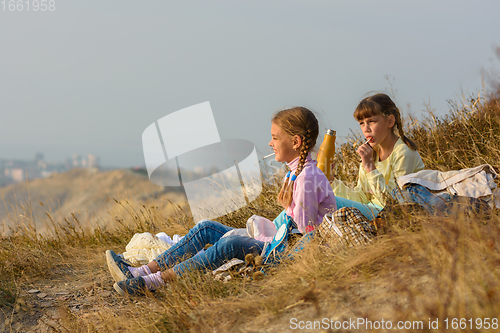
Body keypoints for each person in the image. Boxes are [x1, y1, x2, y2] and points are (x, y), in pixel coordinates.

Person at [107, 106, 337, 296]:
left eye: (275, 138)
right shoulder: (297, 173)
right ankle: (142, 271)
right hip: (278, 240)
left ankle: (153, 282)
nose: (270, 143)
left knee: (231, 244)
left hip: (283, 251)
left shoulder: (307, 179)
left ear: (295, 141)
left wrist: (261, 237)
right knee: (206, 227)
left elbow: (304, 235)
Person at [331, 93, 425, 220]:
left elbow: (394, 202)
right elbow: (361, 198)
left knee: (330, 202)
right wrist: (332, 180)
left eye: (372, 121)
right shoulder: (371, 155)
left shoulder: (403, 153)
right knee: (326, 200)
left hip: (392, 215)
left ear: (390, 121)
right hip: (372, 211)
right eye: (362, 123)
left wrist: (370, 167)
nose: (366, 129)